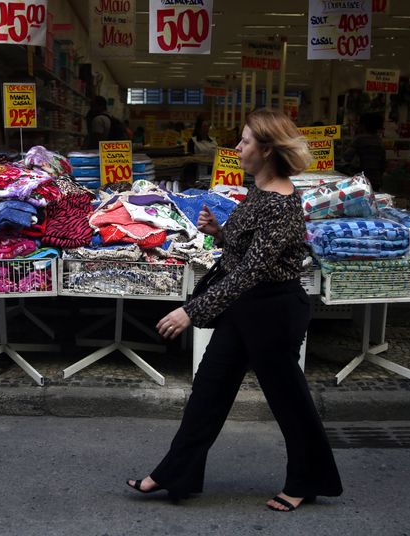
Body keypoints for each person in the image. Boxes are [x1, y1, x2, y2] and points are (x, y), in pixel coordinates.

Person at [126, 109, 343, 512]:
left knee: (289, 401)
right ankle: (175, 474)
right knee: (207, 392)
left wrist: (191, 311)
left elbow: (251, 272)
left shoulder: (281, 201)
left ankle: (307, 481)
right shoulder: (259, 190)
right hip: (245, 309)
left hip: (274, 312)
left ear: (266, 149)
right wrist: (220, 233)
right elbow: (249, 251)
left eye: (244, 141)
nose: (237, 148)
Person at [342, 112, 386, 190]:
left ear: (363, 125)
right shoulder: (379, 141)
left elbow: (347, 157)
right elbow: (383, 163)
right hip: (375, 179)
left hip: (361, 180)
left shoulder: (359, 139)